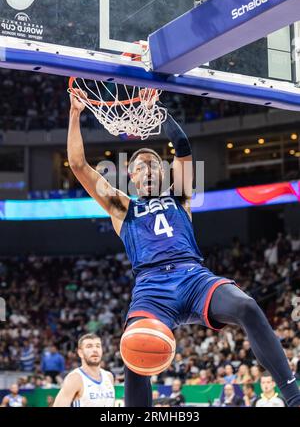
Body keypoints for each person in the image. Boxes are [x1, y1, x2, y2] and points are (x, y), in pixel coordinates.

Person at [67, 91, 300, 408]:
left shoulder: (181, 197)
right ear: (131, 177)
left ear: (162, 173)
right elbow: (79, 165)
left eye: (153, 165)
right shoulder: (122, 207)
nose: (148, 170)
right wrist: (75, 113)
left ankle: (293, 396)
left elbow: (183, 148)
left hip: (193, 277)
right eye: (140, 167)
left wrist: (158, 113)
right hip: (152, 288)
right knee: (134, 349)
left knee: (246, 306)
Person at [53, 333, 115, 407]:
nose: (95, 350)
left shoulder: (109, 376)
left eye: (98, 346)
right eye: (89, 346)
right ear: (80, 353)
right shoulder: (75, 378)